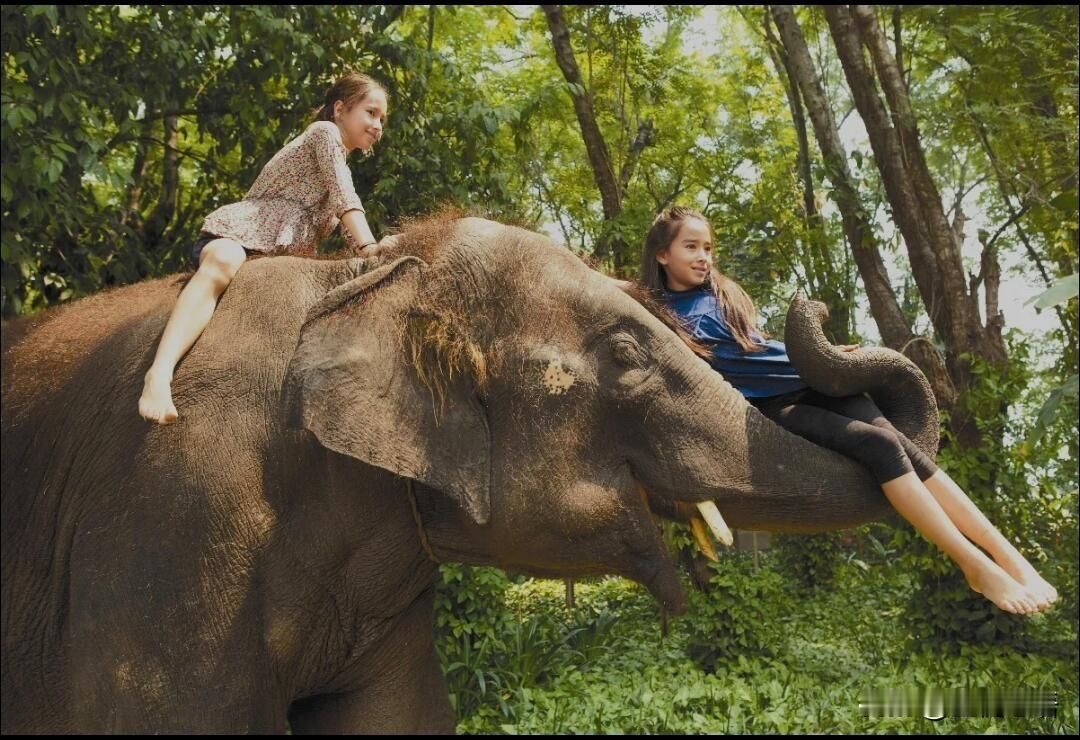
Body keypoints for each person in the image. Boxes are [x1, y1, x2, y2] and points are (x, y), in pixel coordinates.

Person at [638, 205, 1058, 615]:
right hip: (771, 407)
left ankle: (1010, 558)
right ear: (662, 254)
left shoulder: (720, 294)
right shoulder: (658, 317)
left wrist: (824, 354)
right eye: (691, 247)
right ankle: (974, 565)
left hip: (814, 379)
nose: (704, 257)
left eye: (708, 248)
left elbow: (759, 348)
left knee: (904, 445)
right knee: (880, 446)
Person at [139, 71, 396, 424]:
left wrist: (379, 250)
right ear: (340, 109)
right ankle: (159, 374)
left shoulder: (339, 160)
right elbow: (345, 198)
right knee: (225, 259)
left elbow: (346, 224)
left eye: (382, 119)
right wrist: (369, 247)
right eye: (371, 112)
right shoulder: (324, 133)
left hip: (281, 262)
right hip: (243, 237)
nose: (378, 125)